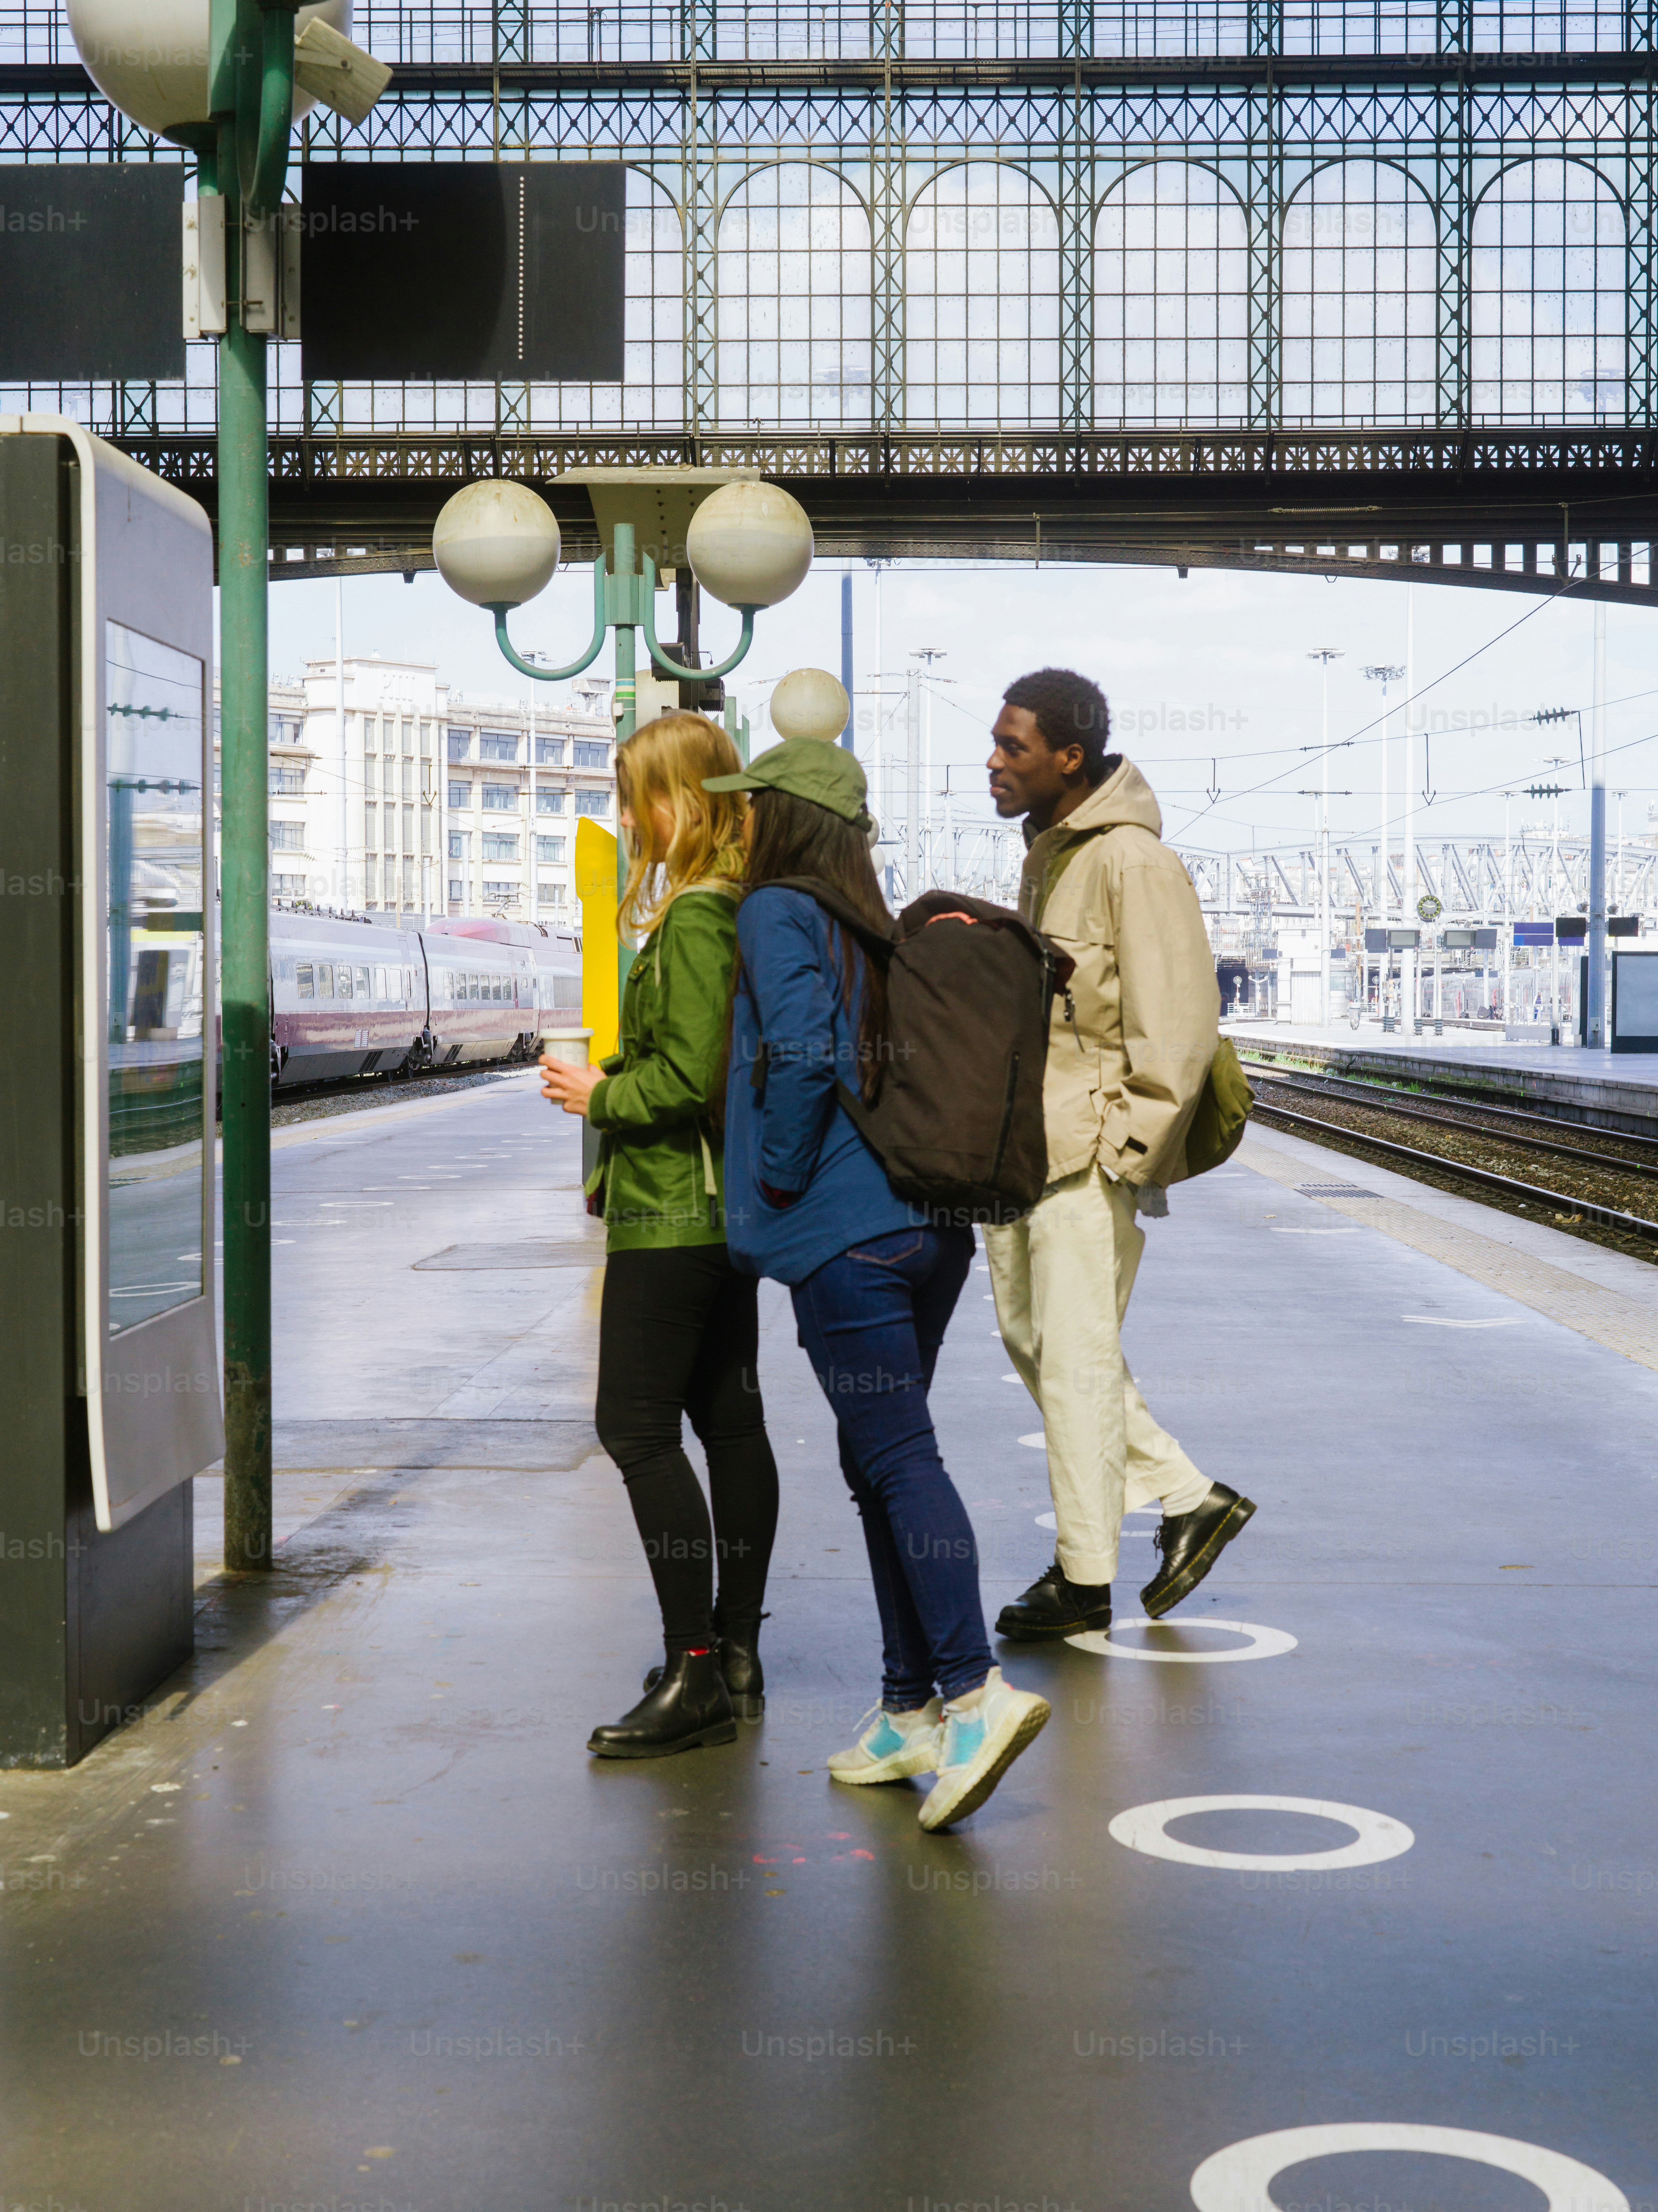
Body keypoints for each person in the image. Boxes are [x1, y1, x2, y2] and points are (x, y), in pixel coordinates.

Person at [702, 735, 1050, 1833]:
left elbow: (800, 1053)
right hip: (924, 1231)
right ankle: (908, 1707)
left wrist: (775, 1173)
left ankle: (974, 1688)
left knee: (897, 1456)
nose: (740, 820)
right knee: (876, 1457)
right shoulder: (871, 923)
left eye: (750, 804)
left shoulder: (773, 912)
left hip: (844, 1237)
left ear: (783, 817)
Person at [982, 667, 1257, 1638]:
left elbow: (1179, 1021)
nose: (994, 761)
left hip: (1088, 1148)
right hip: (1028, 1147)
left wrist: (1128, 1150)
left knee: (1076, 1360)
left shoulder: (1132, 861)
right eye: (996, 742)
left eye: (1014, 746)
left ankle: (1083, 1574)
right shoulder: (1052, 854)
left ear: (1070, 755)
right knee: (1042, 1344)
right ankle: (1187, 1500)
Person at [540, 711, 779, 1759]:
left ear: (676, 802)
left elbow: (687, 1078)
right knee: (728, 1426)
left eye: (634, 795)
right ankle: (733, 1651)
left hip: (671, 1216)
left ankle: (692, 1670)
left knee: (635, 1429)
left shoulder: (688, 922)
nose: (626, 817)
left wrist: (597, 1093)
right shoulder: (735, 906)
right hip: (721, 1214)